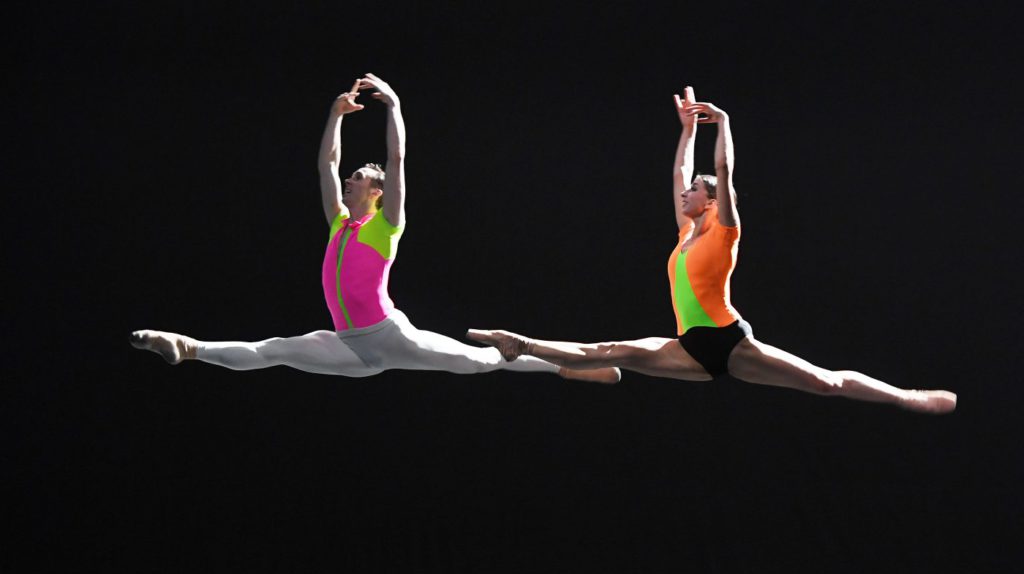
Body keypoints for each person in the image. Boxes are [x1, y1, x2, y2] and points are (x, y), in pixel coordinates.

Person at [468, 87, 956, 413]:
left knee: (825, 384)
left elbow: (722, 171)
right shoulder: (685, 233)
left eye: (693, 193)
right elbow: (681, 173)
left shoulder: (724, 228)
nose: (684, 195)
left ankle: (905, 397)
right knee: (607, 351)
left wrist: (722, 123)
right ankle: (522, 343)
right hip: (687, 349)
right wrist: (687, 130)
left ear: (710, 198)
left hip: (729, 341)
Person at [131, 74, 619, 385]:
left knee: (479, 362)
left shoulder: (386, 225)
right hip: (346, 344)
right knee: (272, 351)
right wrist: (335, 116)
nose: (348, 180)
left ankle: (565, 366)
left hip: (388, 336)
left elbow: (397, 158)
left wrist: (395, 107)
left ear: (378, 192)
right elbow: (326, 163)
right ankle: (187, 347)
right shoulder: (339, 224)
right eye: (351, 178)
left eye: (357, 179)